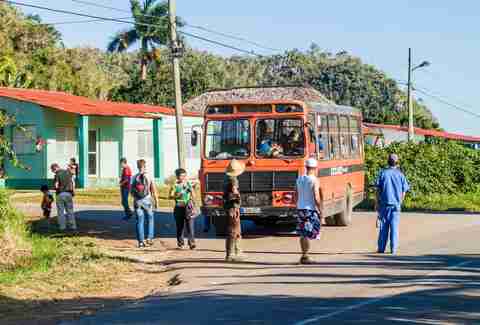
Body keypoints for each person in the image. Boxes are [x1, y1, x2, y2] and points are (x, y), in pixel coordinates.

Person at [375, 153, 410, 255]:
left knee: (383, 228)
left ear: (388, 161)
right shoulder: (400, 175)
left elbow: (377, 190)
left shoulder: (383, 173)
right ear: (397, 163)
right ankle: (393, 249)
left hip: (384, 205)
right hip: (395, 206)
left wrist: (376, 203)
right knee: (394, 228)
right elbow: (404, 191)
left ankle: (381, 248)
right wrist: (400, 201)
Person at [296, 158, 322, 264]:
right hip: (309, 209)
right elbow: (316, 196)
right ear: (315, 168)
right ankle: (305, 256)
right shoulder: (314, 180)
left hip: (300, 209)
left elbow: (296, 194)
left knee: (303, 233)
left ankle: (304, 254)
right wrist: (320, 208)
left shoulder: (299, 179)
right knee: (309, 232)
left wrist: (297, 205)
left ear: (306, 167)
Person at [131, 159, 158, 248]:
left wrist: (136, 199)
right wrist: (156, 201)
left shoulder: (134, 177)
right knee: (150, 219)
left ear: (138, 166)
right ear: (145, 166)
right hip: (147, 201)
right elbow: (153, 190)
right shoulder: (149, 176)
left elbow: (131, 192)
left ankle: (141, 242)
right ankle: (149, 238)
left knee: (139, 221)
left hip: (137, 201)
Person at [223, 159, 246, 262]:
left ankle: (236, 251)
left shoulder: (226, 179)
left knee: (233, 230)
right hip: (233, 207)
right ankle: (231, 254)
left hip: (229, 206)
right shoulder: (233, 180)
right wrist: (239, 197)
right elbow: (234, 192)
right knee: (234, 231)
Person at [169, 168, 196, 250]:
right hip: (178, 207)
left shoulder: (188, 184)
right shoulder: (175, 185)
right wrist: (178, 195)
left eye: (185, 175)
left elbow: (194, 196)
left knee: (190, 226)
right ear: (177, 176)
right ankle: (180, 243)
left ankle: (191, 243)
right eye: (182, 176)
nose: (184, 177)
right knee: (180, 226)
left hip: (188, 207)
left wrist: (191, 191)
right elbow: (170, 196)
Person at [51, 163, 77, 232]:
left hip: (60, 194)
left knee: (61, 212)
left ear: (55, 168)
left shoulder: (57, 175)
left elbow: (56, 185)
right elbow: (73, 182)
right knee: (70, 211)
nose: (53, 172)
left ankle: (62, 227)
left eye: (53, 170)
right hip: (69, 194)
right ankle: (73, 226)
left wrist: (55, 188)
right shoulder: (68, 172)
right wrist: (73, 191)